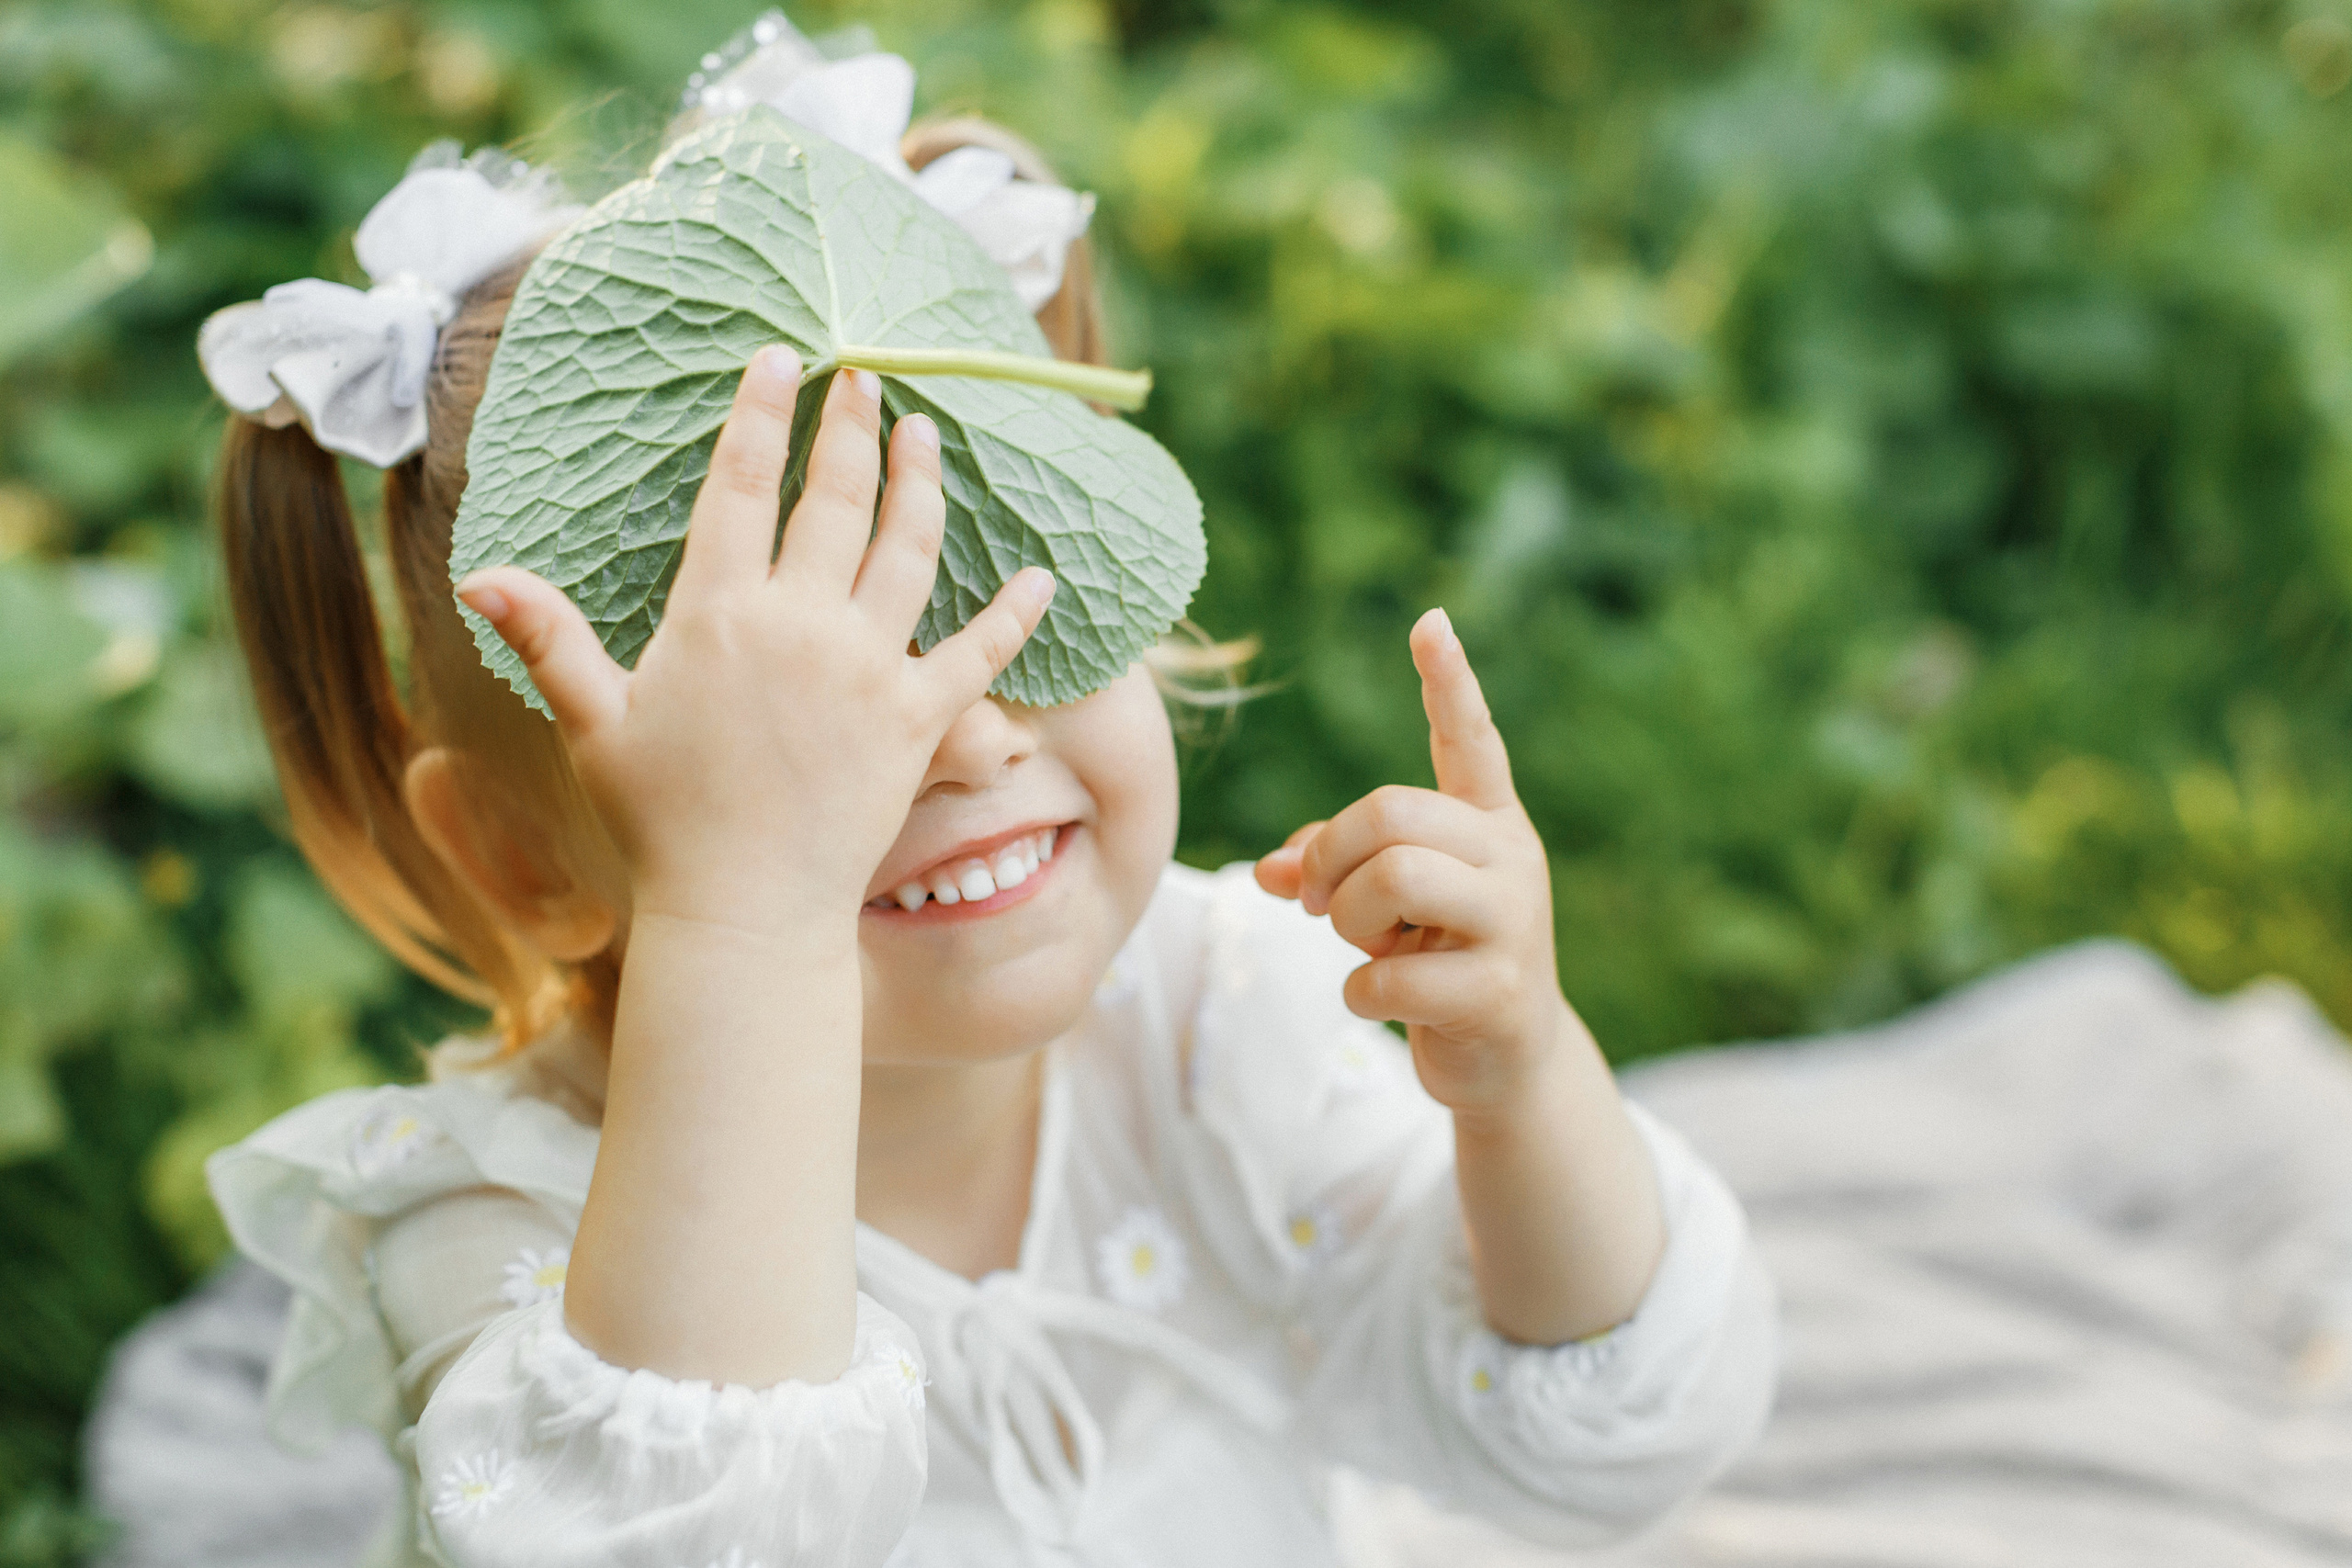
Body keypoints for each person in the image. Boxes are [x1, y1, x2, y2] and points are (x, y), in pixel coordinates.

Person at [198, 14, 1776, 1565]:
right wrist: (750, 920)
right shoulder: (495, 1221)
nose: (958, 739)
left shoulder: (1215, 1018)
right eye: (790, 731)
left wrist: (1521, 1086)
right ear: (514, 855)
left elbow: (1606, 1444)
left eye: (1008, 593)